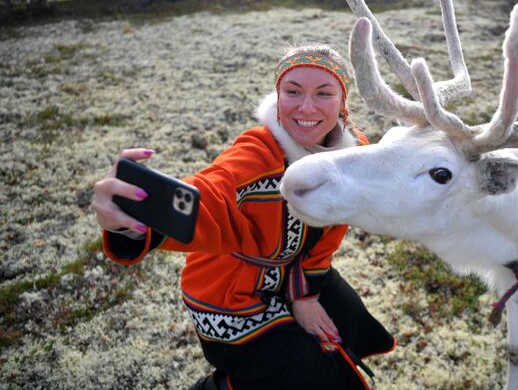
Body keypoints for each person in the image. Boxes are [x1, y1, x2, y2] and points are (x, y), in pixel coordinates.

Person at [91, 46, 395, 390]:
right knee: (317, 377)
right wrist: (137, 214)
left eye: (324, 93)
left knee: (349, 324)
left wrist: (303, 295)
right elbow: (211, 194)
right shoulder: (256, 153)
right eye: (292, 91)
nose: (306, 107)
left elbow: (331, 233)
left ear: (343, 102)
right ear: (277, 98)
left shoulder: (352, 153)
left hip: (292, 272)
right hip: (227, 295)